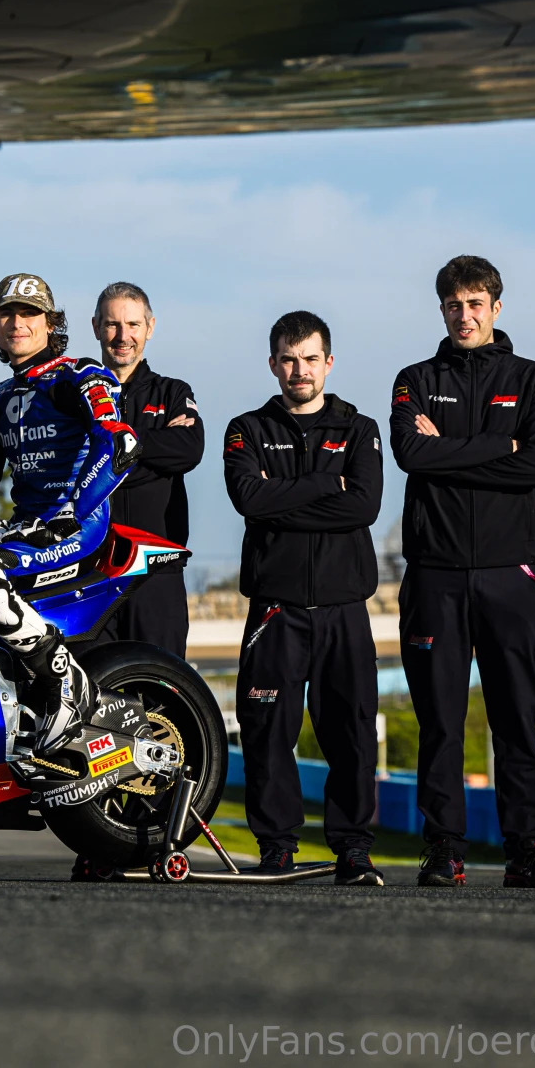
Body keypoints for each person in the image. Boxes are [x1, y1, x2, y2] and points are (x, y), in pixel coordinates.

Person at [390, 255, 535, 890]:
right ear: (440, 310)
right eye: (452, 305)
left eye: (474, 304)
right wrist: (503, 446)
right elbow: (413, 453)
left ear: (496, 307)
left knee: (516, 717)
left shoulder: (532, 379)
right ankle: (444, 851)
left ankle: (526, 849)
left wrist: (450, 453)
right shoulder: (415, 378)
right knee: (440, 721)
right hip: (435, 575)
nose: (463, 316)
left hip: (509, 575)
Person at [222, 311, 385, 886]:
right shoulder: (245, 428)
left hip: (345, 607)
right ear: (273, 364)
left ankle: (354, 851)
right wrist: (325, 483)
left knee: (352, 732)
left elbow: (364, 507)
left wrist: (283, 495)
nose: (300, 370)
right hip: (275, 607)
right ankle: (276, 848)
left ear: (328, 363)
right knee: (267, 733)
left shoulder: (360, 428)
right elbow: (248, 498)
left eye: (310, 359)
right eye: (289, 360)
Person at [0, 273, 139, 755]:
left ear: (50, 324)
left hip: (76, 527)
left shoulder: (78, 375)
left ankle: (67, 687)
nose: (17, 323)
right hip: (24, 529)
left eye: (29, 313)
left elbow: (120, 444)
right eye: (7, 314)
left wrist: (71, 510)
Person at [89, 282, 204, 657]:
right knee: (92, 695)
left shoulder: (172, 392)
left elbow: (188, 451)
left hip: (157, 573)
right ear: (95, 327)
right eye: (112, 324)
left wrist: (115, 448)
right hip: (89, 572)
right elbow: (73, 469)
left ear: (150, 327)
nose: (123, 336)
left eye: (133, 325)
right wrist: (154, 446)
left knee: (162, 694)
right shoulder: (77, 395)